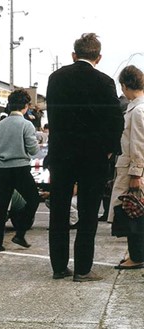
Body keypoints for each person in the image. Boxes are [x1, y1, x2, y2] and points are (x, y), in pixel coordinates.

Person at [45, 33, 124, 281]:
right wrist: (109, 149)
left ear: (73, 54)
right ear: (98, 57)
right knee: (88, 214)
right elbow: (116, 120)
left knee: (59, 212)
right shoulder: (104, 82)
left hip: (61, 155)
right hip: (93, 157)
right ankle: (82, 269)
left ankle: (59, 267)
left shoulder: (56, 78)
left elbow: (53, 117)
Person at [0, 89, 40, 252]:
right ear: (25, 106)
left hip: (1, 169)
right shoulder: (26, 124)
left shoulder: (0, 124)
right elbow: (33, 150)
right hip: (20, 169)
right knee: (33, 199)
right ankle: (20, 233)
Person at [108, 65, 144, 270]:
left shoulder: (138, 110)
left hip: (132, 169)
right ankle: (136, 254)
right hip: (133, 167)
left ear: (124, 85)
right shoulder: (138, 107)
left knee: (133, 212)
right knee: (135, 211)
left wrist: (135, 173)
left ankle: (137, 256)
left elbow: (138, 143)